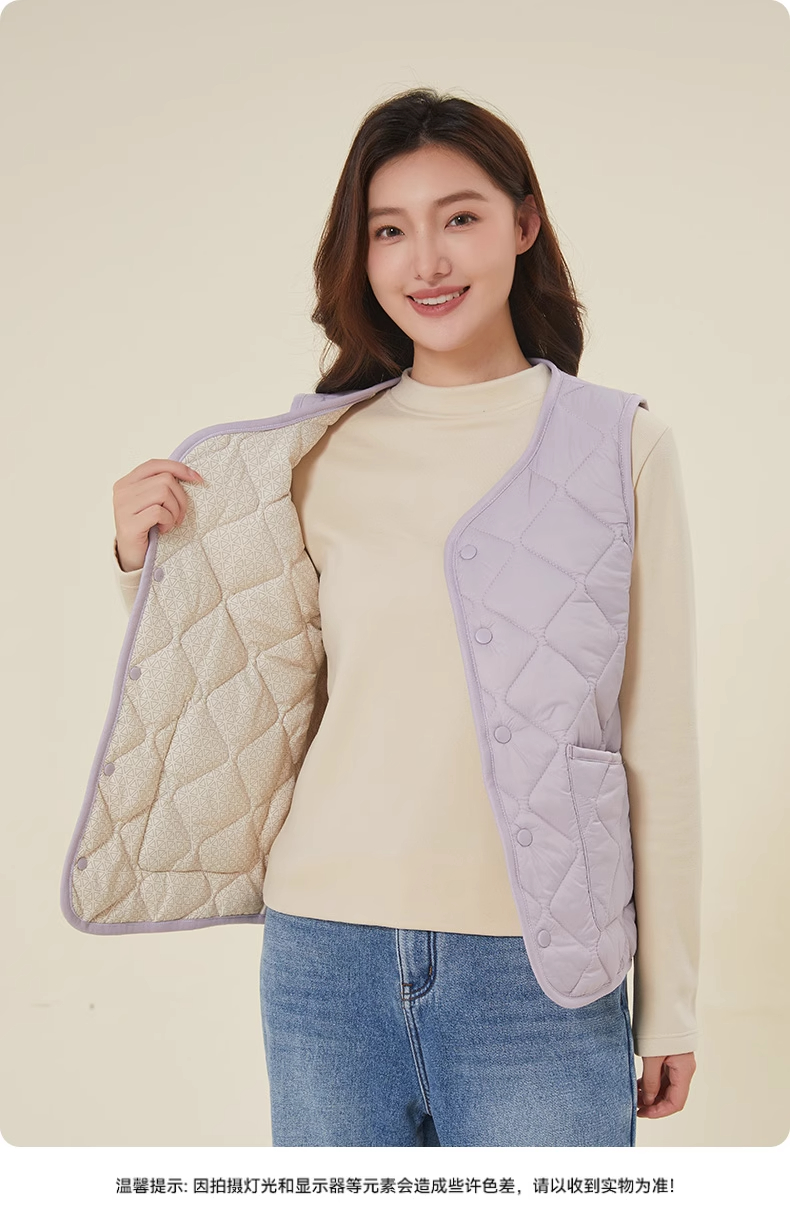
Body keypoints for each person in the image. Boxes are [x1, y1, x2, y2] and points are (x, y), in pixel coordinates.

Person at [110, 88, 701, 1147]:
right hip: (324, 960)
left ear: (524, 223)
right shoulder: (316, 452)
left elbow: (656, 743)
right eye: (389, 230)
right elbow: (243, 682)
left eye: (459, 217)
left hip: (540, 971)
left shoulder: (621, 446)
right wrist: (139, 558)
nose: (425, 260)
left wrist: (672, 1004)